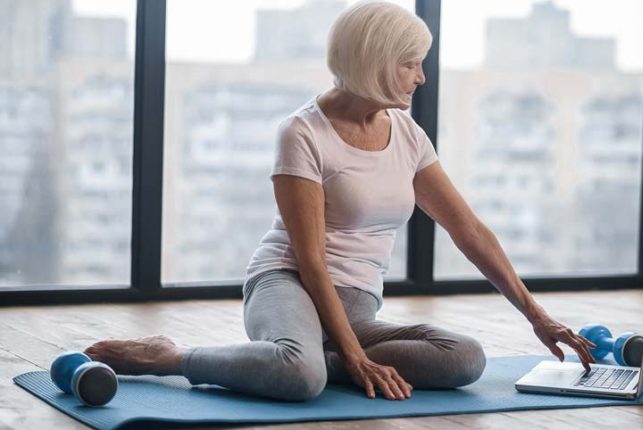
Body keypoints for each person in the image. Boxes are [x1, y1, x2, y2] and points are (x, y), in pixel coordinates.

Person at [85, 1, 596, 402]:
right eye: (411, 65)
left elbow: (470, 231)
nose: (421, 77)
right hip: (287, 283)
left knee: (465, 359)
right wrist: (355, 359)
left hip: (356, 304)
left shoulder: (408, 135)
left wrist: (537, 316)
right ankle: (170, 357)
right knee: (301, 378)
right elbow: (309, 261)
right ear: (375, 63)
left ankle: (305, 356)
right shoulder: (302, 133)